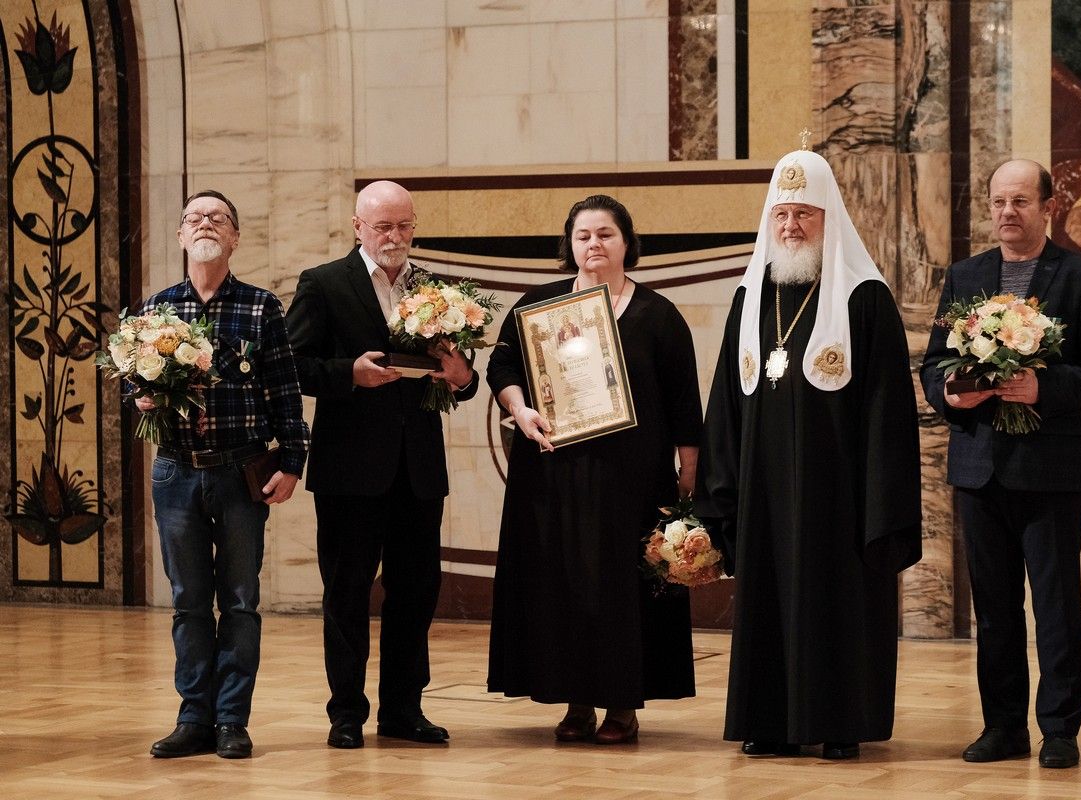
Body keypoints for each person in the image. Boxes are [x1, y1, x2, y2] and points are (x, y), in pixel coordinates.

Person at [695, 150, 922, 760]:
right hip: (765, 494)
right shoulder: (749, 299)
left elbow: (887, 413)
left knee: (837, 602)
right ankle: (768, 721)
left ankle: (840, 722)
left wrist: (881, 507)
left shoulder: (865, 299)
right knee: (768, 601)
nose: (791, 226)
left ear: (829, 218)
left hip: (838, 496)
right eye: (782, 214)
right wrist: (720, 495)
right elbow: (725, 404)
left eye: (804, 214)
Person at [920, 159, 1081, 769]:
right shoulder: (966, 276)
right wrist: (949, 393)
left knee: (1055, 604)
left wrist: (1046, 387)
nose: (1007, 212)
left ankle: (1059, 729)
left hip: (1053, 470)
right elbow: (934, 363)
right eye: (997, 202)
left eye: (1019, 201)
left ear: (1047, 206)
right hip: (979, 466)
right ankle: (1003, 726)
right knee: (994, 608)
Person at [487, 194, 703, 744]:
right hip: (554, 476)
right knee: (562, 585)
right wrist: (519, 407)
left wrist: (689, 473)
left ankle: (623, 704)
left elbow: (684, 401)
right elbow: (502, 364)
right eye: (583, 235)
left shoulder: (658, 314)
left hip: (632, 479)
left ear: (627, 242)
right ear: (570, 244)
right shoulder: (539, 306)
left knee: (621, 587)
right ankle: (576, 701)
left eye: (606, 234)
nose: (594, 244)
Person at [286, 181, 477, 750]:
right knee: (346, 594)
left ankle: (403, 710)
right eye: (382, 226)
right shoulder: (323, 283)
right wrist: (349, 373)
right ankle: (346, 713)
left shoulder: (436, 291)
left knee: (415, 593)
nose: (394, 236)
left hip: (418, 470)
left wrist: (463, 376)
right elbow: (291, 365)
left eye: (404, 225)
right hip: (349, 471)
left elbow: (462, 380)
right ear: (357, 227)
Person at [141, 190, 310, 759]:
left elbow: (285, 391)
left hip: (241, 472)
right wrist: (140, 396)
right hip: (176, 473)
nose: (205, 224)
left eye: (218, 218)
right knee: (188, 601)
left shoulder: (262, 307)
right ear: (181, 236)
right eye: (194, 217)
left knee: (239, 601)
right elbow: (128, 382)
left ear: (235, 237)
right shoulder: (156, 309)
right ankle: (194, 717)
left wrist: (292, 462)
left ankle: (232, 720)